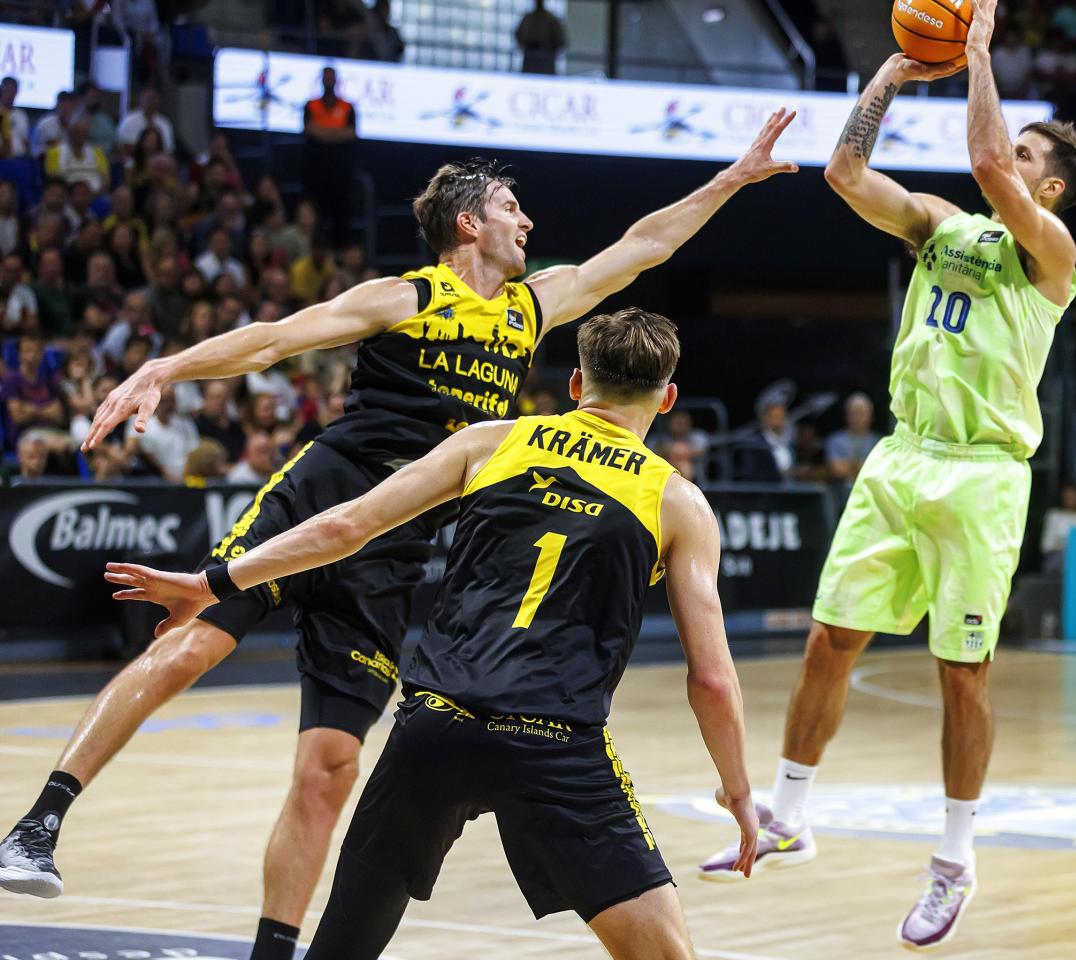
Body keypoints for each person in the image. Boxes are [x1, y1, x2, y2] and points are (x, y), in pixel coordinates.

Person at [0, 114, 798, 960]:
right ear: (470, 223)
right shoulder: (407, 296)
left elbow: (642, 246)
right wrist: (166, 368)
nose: (526, 221)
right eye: (510, 205)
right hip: (328, 496)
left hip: (394, 545)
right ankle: (40, 820)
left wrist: (732, 178)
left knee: (331, 769)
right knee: (196, 644)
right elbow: (274, 340)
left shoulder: (533, 308)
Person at [103, 309, 757, 960]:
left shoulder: (490, 442)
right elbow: (712, 678)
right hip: (557, 748)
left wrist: (215, 582)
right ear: (667, 398)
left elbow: (344, 528)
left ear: (577, 384)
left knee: (341, 948)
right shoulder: (677, 502)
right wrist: (738, 789)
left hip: (434, 729)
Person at [697, 5, 1076, 948]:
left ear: (1058, 186)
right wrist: (891, 76)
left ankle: (955, 860)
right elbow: (844, 175)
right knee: (831, 639)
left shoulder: (1052, 257)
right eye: (1018, 142)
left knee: (962, 673)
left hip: (984, 475)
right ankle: (789, 812)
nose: (1012, 154)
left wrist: (981, 54)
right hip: (902, 457)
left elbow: (994, 167)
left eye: (1033, 152)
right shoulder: (943, 226)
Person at [303, 68, 358, 247]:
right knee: (316, 214)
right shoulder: (311, 105)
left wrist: (323, 133)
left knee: (342, 214)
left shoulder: (347, 107)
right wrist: (336, 134)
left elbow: (350, 133)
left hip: (340, 173)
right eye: (326, 77)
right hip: (315, 171)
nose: (328, 81)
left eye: (331, 77)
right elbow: (309, 129)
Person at [826, 391, 880, 480]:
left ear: (871, 416)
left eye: (861, 413)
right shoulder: (834, 440)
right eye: (854, 413)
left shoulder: (879, 442)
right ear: (847, 415)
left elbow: (880, 469)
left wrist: (849, 465)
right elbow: (837, 470)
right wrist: (861, 465)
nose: (858, 417)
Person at [516, 0, 568, 75]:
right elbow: (518, 35)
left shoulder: (551, 19)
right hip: (531, 60)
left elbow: (561, 41)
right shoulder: (528, 18)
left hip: (545, 61)